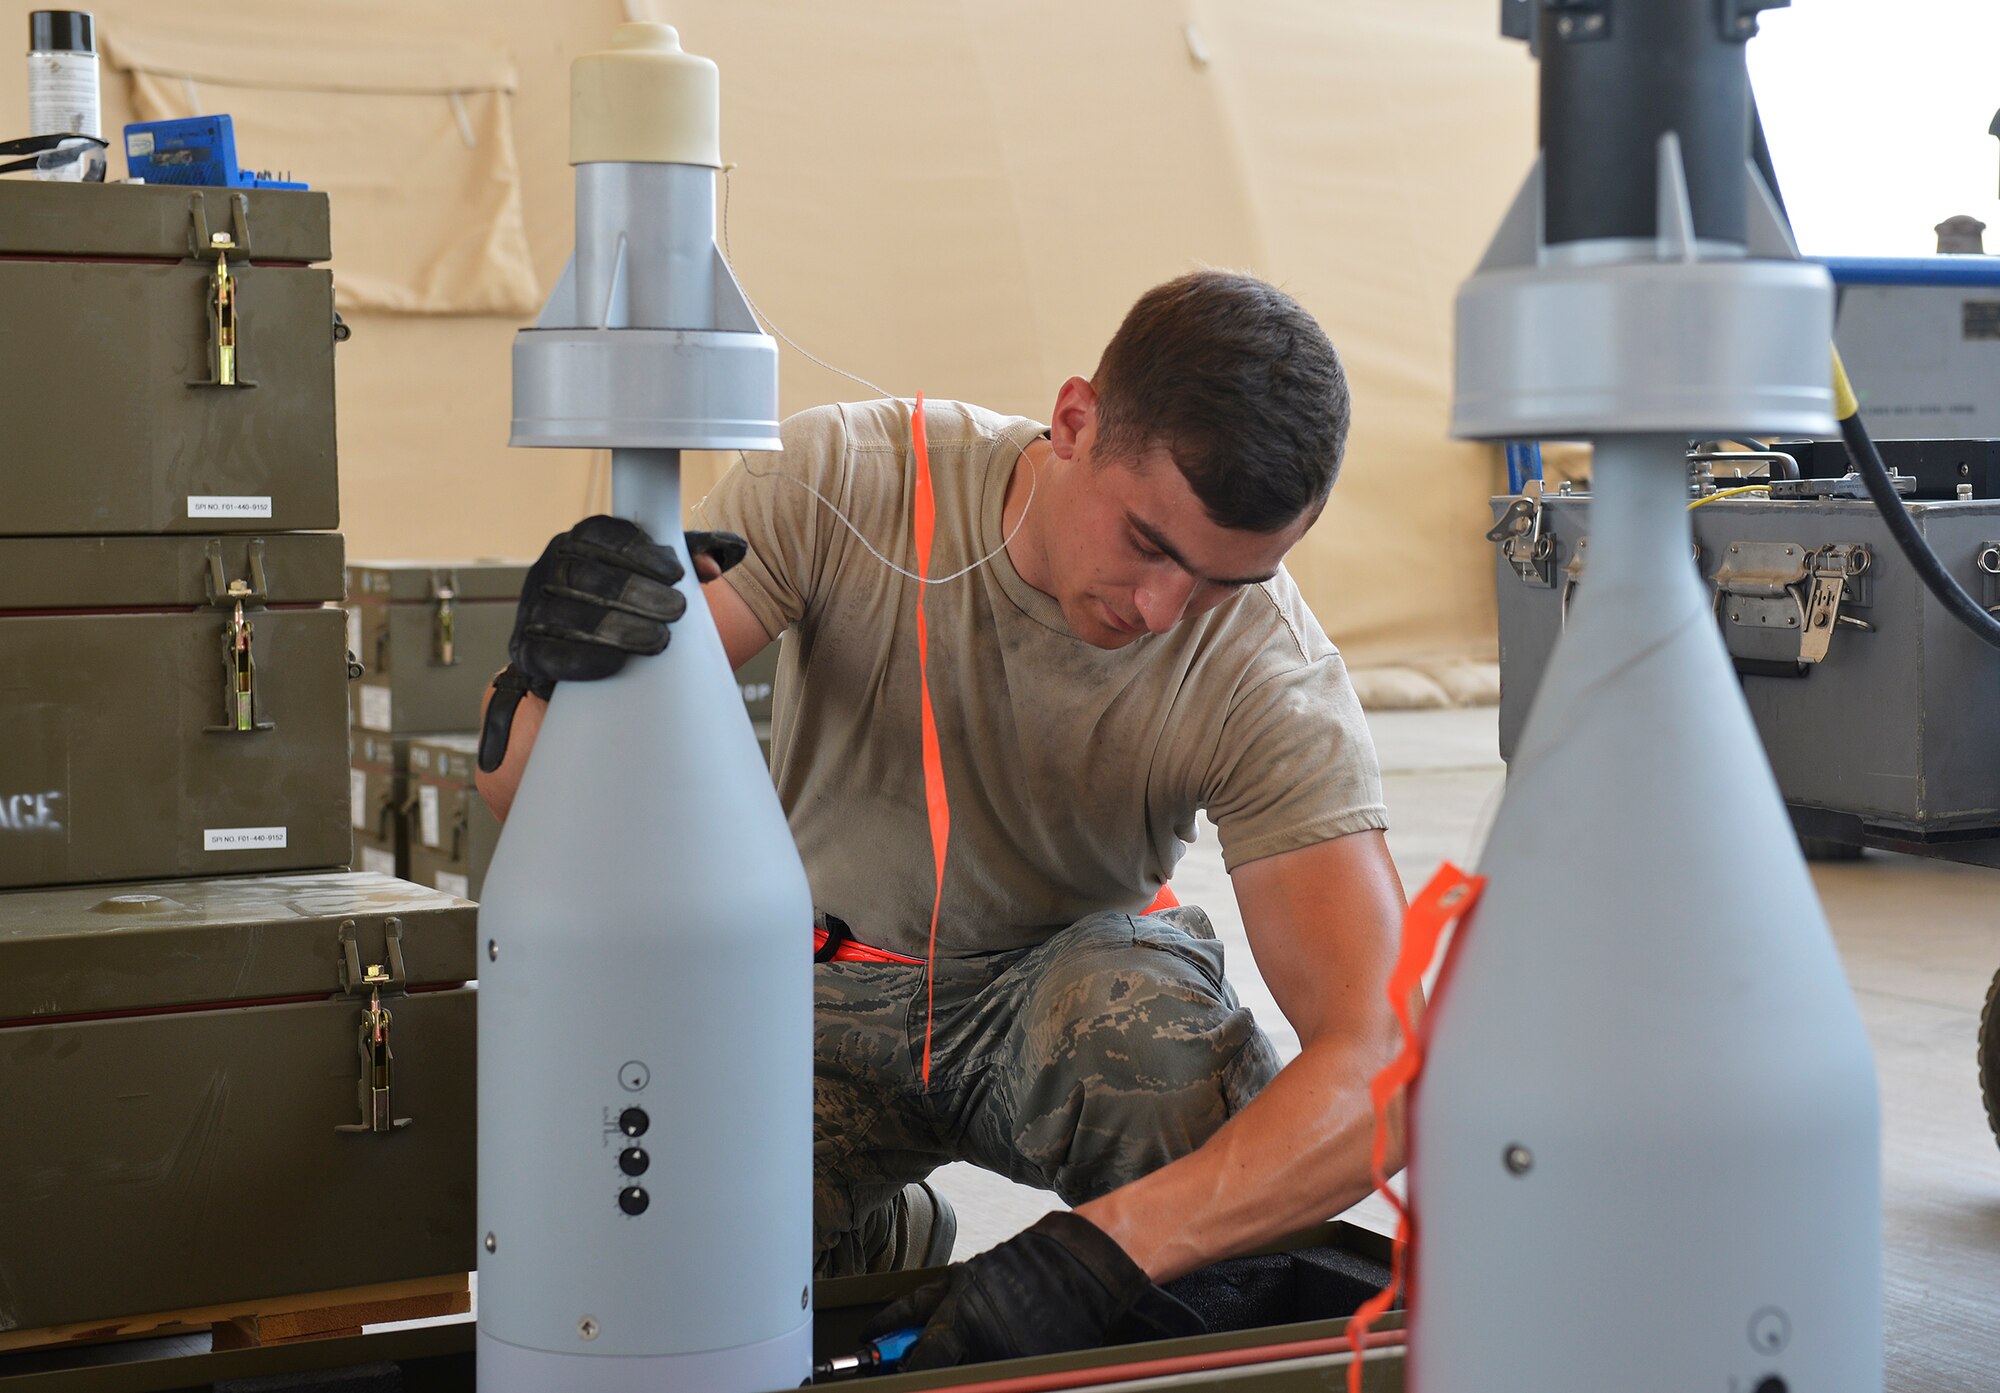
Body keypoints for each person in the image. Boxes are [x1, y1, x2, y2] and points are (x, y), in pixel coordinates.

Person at [475, 269, 1406, 1370]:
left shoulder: (1264, 667)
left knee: (1153, 1050)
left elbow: (1384, 1058)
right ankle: (877, 1236)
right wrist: (551, 665)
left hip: (1059, 997)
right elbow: (525, 785)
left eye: (1220, 580)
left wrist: (1097, 1257)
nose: (1163, 610)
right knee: (641, 1208)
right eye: (1149, 543)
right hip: (819, 995)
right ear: (1073, 421)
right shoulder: (853, 481)